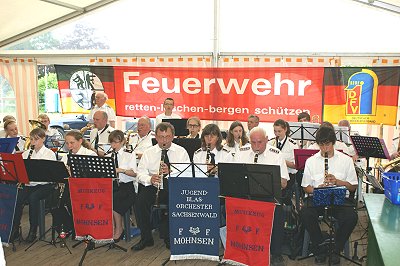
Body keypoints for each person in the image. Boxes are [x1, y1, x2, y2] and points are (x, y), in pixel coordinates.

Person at [300, 126, 358, 265]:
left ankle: (336, 250)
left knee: (352, 217)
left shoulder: (346, 160)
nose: (325, 148)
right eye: (321, 145)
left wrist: (338, 182)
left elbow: (353, 186)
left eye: (327, 144)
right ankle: (320, 247)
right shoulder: (311, 161)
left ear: (333, 143)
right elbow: (305, 187)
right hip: (317, 198)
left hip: (339, 199)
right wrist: (317, 189)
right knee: (305, 213)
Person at [233, 126, 289, 266]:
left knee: (278, 213)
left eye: (260, 142)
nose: (256, 146)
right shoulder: (242, 152)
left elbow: (284, 183)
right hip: (246, 196)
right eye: (253, 142)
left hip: (268, 197)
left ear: (266, 140)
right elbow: (233, 177)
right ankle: (239, 249)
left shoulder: (276, 154)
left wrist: (272, 179)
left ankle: (276, 253)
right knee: (230, 207)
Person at [132, 122, 190, 251]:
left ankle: (171, 238)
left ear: (173, 136)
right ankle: (146, 238)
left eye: (167, 137)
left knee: (174, 203)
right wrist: (150, 179)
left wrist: (171, 171)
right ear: (156, 137)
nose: (164, 140)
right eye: (161, 137)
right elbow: (139, 173)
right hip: (154, 185)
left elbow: (187, 172)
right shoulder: (149, 152)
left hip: (174, 186)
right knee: (140, 202)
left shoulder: (181, 152)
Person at [10, 128, 57, 243]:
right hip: (29, 184)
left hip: (44, 185)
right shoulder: (26, 154)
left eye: (36, 139)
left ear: (43, 139)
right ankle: (15, 228)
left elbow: (51, 174)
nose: (33, 142)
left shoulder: (49, 154)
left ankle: (33, 230)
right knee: (17, 197)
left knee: (33, 198)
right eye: (31, 139)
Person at [106, 130, 137, 242]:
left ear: (123, 142)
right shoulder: (109, 155)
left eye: (116, 142)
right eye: (112, 143)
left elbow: (135, 174)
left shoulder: (129, 154)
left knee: (114, 199)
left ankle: (119, 228)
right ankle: (108, 228)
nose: (113, 145)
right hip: (113, 185)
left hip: (126, 187)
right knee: (103, 197)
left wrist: (121, 170)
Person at [268, 119, 298, 203]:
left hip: (288, 176)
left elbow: (295, 166)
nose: (277, 134)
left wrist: (281, 161)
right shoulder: (270, 143)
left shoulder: (293, 144)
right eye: (275, 131)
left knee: (283, 196)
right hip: (273, 175)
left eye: (279, 131)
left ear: (285, 129)